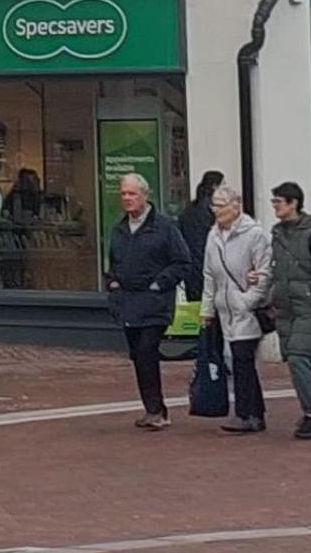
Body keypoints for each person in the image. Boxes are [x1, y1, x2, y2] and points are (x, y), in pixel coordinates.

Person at [104, 172, 193, 430]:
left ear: (145, 195)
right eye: (123, 194)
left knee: (146, 351)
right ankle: (153, 408)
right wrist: (112, 283)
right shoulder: (119, 229)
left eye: (132, 193)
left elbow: (182, 262)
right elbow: (113, 263)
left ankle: (156, 410)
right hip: (128, 303)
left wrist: (159, 284)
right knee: (137, 355)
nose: (127, 199)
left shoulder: (165, 227)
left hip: (155, 303)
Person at [197, 184, 272, 435]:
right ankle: (255, 413)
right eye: (213, 206)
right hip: (223, 309)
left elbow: (264, 273)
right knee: (238, 360)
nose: (215, 211)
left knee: (241, 358)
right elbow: (209, 275)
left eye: (220, 206)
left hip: (246, 310)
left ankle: (244, 413)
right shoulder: (213, 235)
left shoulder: (255, 235)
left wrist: (247, 301)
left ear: (236, 206)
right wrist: (207, 309)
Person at [268, 181, 311, 441]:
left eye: (278, 201)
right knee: (298, 359)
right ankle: (310, 409)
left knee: (297, 356)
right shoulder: (277, 233)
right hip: (287, 307)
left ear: (293, 203)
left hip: (310, 306)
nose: (274, 206)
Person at [176, 171, 224, 301]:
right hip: (207, 269)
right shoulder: (211, 210)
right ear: (215, 186)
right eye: (223, 184)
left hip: (191, 270)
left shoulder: (189, 209)